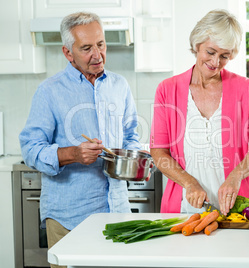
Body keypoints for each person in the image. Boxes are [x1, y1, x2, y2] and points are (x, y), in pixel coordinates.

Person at [19, 12, 142, 267]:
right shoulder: (49, 91)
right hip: (69, 218)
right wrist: (73, 154)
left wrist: (134, 160)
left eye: (101, 44)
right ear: (68, 53)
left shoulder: (120, 85)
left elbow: (131, 135)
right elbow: (30, 148)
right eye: (86, 48)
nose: (97, 55)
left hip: (117, 213)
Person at [150, 9, 249, 216]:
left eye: (224, 56)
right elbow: (158, 151)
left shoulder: (246, 88)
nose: (216, 62)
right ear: (197, 45)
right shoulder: (167, 89)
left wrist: (236, 175)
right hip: (186, 209)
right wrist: (189, 182)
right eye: (210, 52)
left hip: (240, 210)